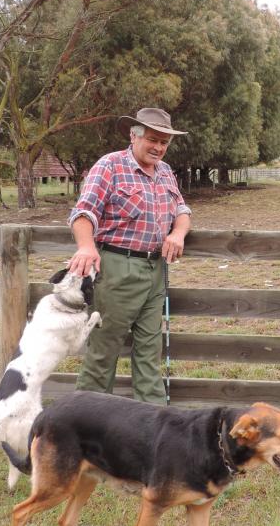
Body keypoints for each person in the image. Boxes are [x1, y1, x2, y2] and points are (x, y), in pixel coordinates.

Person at [66, 107, 191, 404]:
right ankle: (85, 428)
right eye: (153, 139)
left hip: (156, 271)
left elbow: (182, 211)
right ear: (133, 135)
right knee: (103, 351)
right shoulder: (110, 166)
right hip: (117, 269)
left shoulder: (165, 172)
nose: (159, 147)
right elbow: (83, 212)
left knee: (150, 353)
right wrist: (86, 246)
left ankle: (153, 430)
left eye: (164, 142)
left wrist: (178, 233)